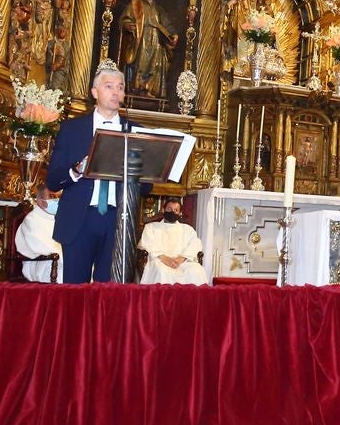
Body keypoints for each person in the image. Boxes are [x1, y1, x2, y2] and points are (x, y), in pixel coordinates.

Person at [46, 64, 149, 283]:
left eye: (120, 87)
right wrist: (76, 171)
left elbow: (148, 187)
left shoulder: (136, 131)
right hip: (79, 220)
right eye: (109, 86)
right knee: (75, 292)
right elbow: (53, 180)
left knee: (110, 296)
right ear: (94, 92)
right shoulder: (72, 129)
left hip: (118, 221)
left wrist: (135, 171)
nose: (116, 92)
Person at [120, 0, 179, 99]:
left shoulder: (158, 9)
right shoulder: (135, 4)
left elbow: (167, 25)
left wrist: (174, 35)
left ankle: (151, 89)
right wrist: (127, 24)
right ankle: (137, 88)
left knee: (155, 65)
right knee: (141, 64)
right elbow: (124, 19)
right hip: (141, 39)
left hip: (156, 41)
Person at [138, 199, 208, 285]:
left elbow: (195, 245)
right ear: (163, 210)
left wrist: (180, 259)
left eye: (176, 210)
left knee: (196, 270)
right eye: (169, 209)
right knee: (162, 271)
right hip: (160, 261)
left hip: (182, 262)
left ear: (180, 213)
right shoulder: (151, 227)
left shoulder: (188, 229)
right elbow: (148, 244)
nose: (172, 212)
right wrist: (165, 259)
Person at [14, 185, 63, 283]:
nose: (57, 200)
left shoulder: (61, 219)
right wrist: (64, 255)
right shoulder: (32, 220)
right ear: (39, 201)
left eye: (59, 197)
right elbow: (40, 245)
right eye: (52, 197)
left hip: (57, 260)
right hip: (40, 263)